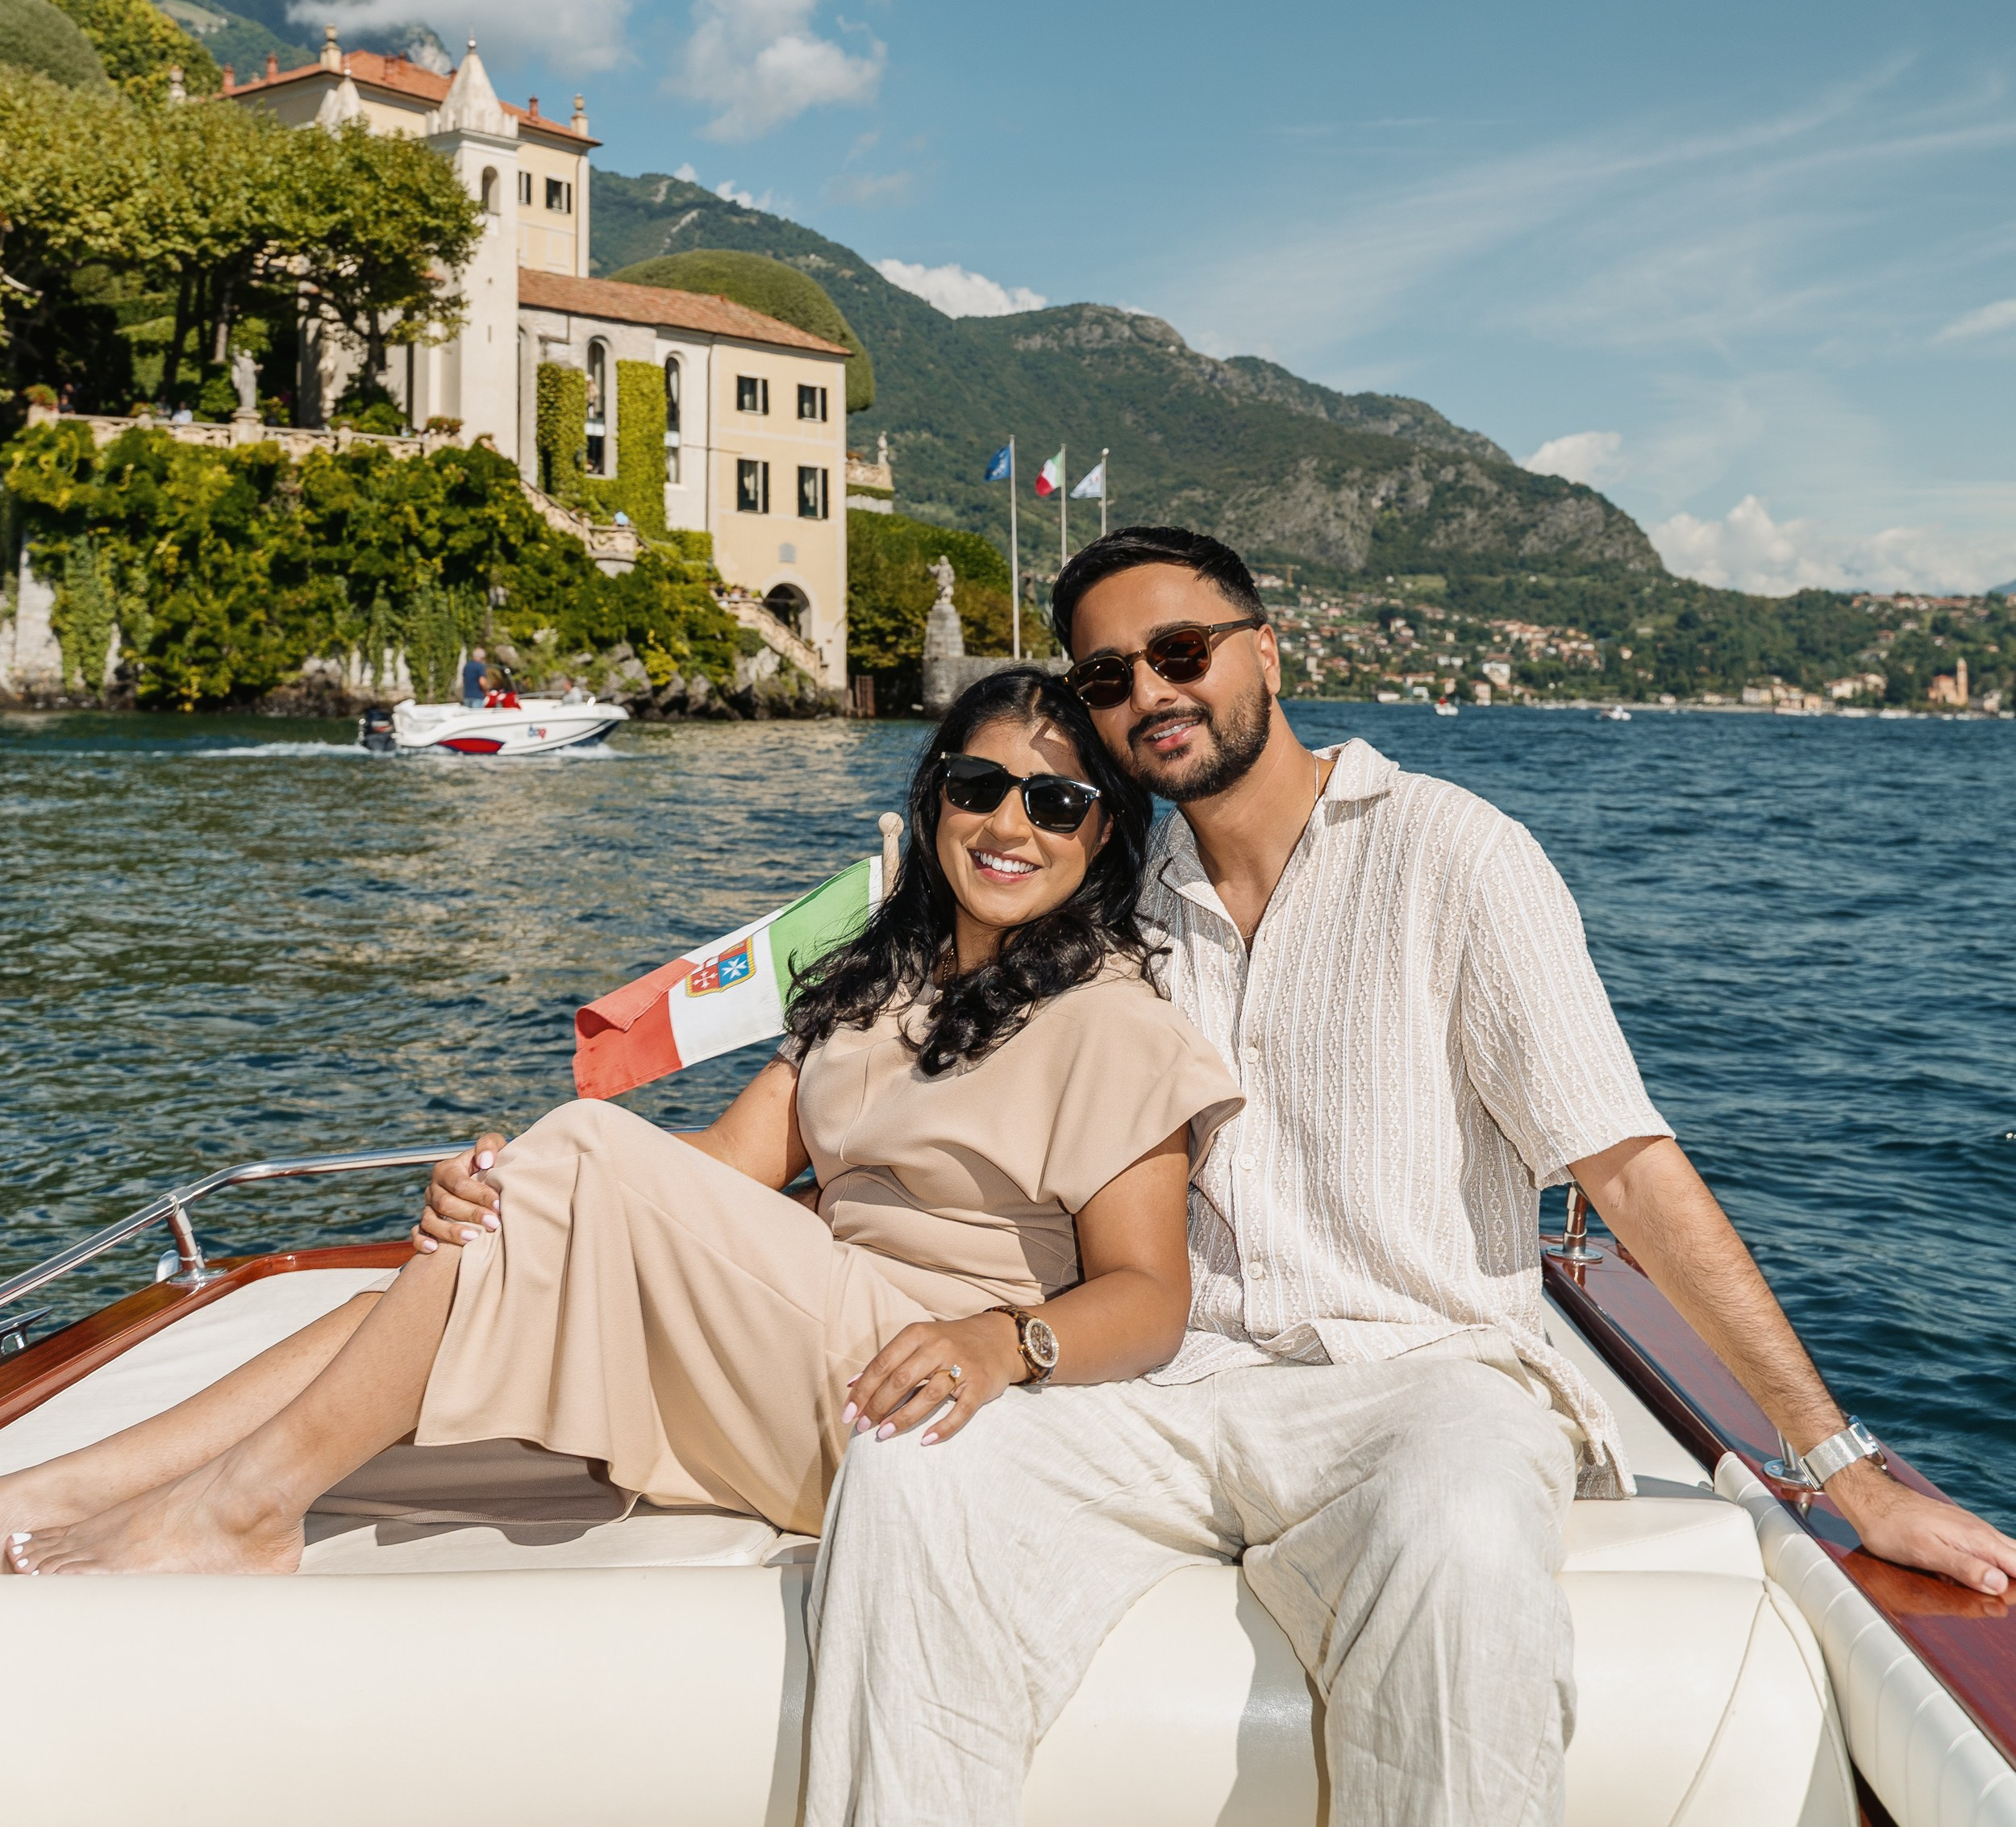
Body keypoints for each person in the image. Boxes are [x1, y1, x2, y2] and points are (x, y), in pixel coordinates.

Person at [805, 524, 2016, 1827]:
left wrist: (1847, 1467)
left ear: (1266, 648)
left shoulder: (1456, 854)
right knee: (913, 1465)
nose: (1149, 691)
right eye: (1108, 675)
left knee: (1460, 1520)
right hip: (1174, 1391)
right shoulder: (1112, 896)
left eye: (1179, 651)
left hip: (1424, 1385)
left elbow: (1625, 1163)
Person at [1, 668, 1239, 1575]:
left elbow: (1148, 1294)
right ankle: (50, 1487)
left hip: (919, 1383)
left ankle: (239, 1514)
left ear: (1104, 832)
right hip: (797, 1333)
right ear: (934, 803)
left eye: (1056, 802)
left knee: (581, 1150)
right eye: (979, 785)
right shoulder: (880, 983)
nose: (1010, 823)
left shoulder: (1112, 1019)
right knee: (419, 1281)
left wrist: (995, 1341)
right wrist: (503, 1195)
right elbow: (728, 1168)